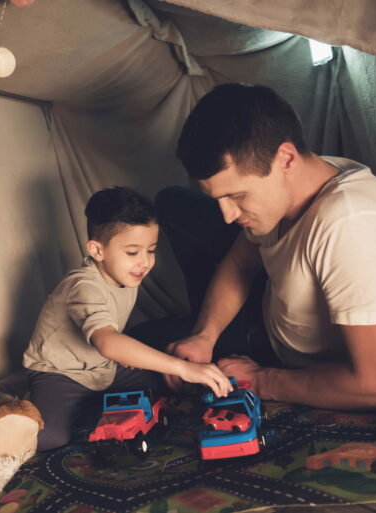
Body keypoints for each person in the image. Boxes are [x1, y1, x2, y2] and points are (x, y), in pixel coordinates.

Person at [157, 83, 376, 410]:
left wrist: (261, 379)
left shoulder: (354, 226)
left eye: (237, 195)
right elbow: (239, 263)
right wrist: (204, 335)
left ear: (286, 158)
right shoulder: (294, 183)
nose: (227, 215)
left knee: (139, 355)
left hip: (273, 354)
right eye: (220, 198)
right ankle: (200, 326)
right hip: (265, 305)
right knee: (171, 203)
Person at [23, 186, 233, 451]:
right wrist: (181, 367)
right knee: (49, 437)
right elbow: (108, 342)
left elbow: (113, 346)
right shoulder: (83, 287)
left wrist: (166, 369)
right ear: (97, 251)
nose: (144, 263)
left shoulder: (125, 275)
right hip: (61, 374)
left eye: (152, 250)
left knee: (166, 386)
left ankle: (95, 405)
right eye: (132, 252)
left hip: (104, 368)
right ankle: (23, 406)